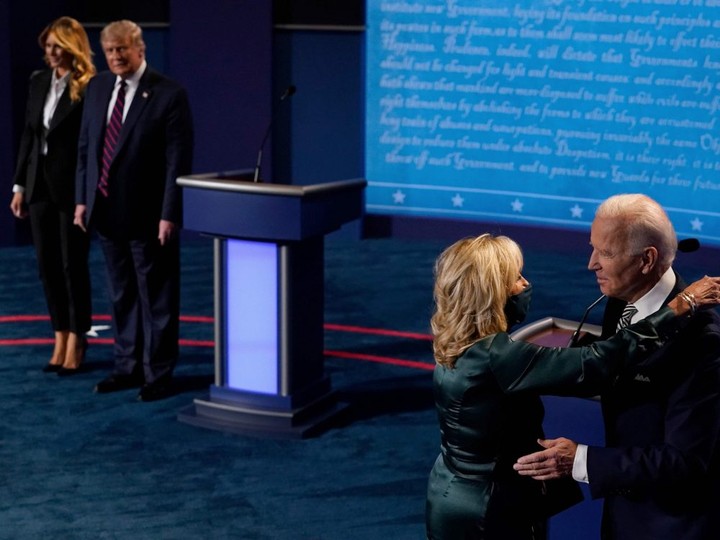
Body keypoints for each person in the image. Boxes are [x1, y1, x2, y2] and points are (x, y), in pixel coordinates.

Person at [425, 233, 720, 540]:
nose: (525, 285)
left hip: (451, 492)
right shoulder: (498, 356)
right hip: (486, 512)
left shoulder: (459, 338)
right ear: (490, 292)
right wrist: (679, 306)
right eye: (516, 278)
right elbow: (597, 364)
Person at [514, 194, 720, 539]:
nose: (591, 263)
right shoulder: (623, 300)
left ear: (646, 259)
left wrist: (581, 460)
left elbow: (686, 462)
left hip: (671, 524)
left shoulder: (702, 344)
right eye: (592, 248)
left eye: (605, 253)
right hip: (623, 516)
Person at [74, 19, 194, 402]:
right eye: (109, 51)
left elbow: (178, 160)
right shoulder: (97, 87)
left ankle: (158, 372)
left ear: (140, 49)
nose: (115, 57)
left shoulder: (168, 94)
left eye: (122, 49)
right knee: (121, 293)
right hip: (106, 210)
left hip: (148, 215)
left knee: (156, 297)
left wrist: (169, 213)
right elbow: (85, 149)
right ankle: (127, 367)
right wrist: (81, 199)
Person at [10, 16, 95, 375]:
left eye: (58, 45)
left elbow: (90, 145)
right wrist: (19, 186)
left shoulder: (90, 86)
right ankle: (59, 336)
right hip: (38, 185)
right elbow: (30, 136)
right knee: (47, 266)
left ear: (73, 47)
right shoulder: (38, 81)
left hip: (71, 188)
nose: (52, 52)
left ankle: (77, 339)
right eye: (48, 46)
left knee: (71, 265)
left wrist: (86, 195)